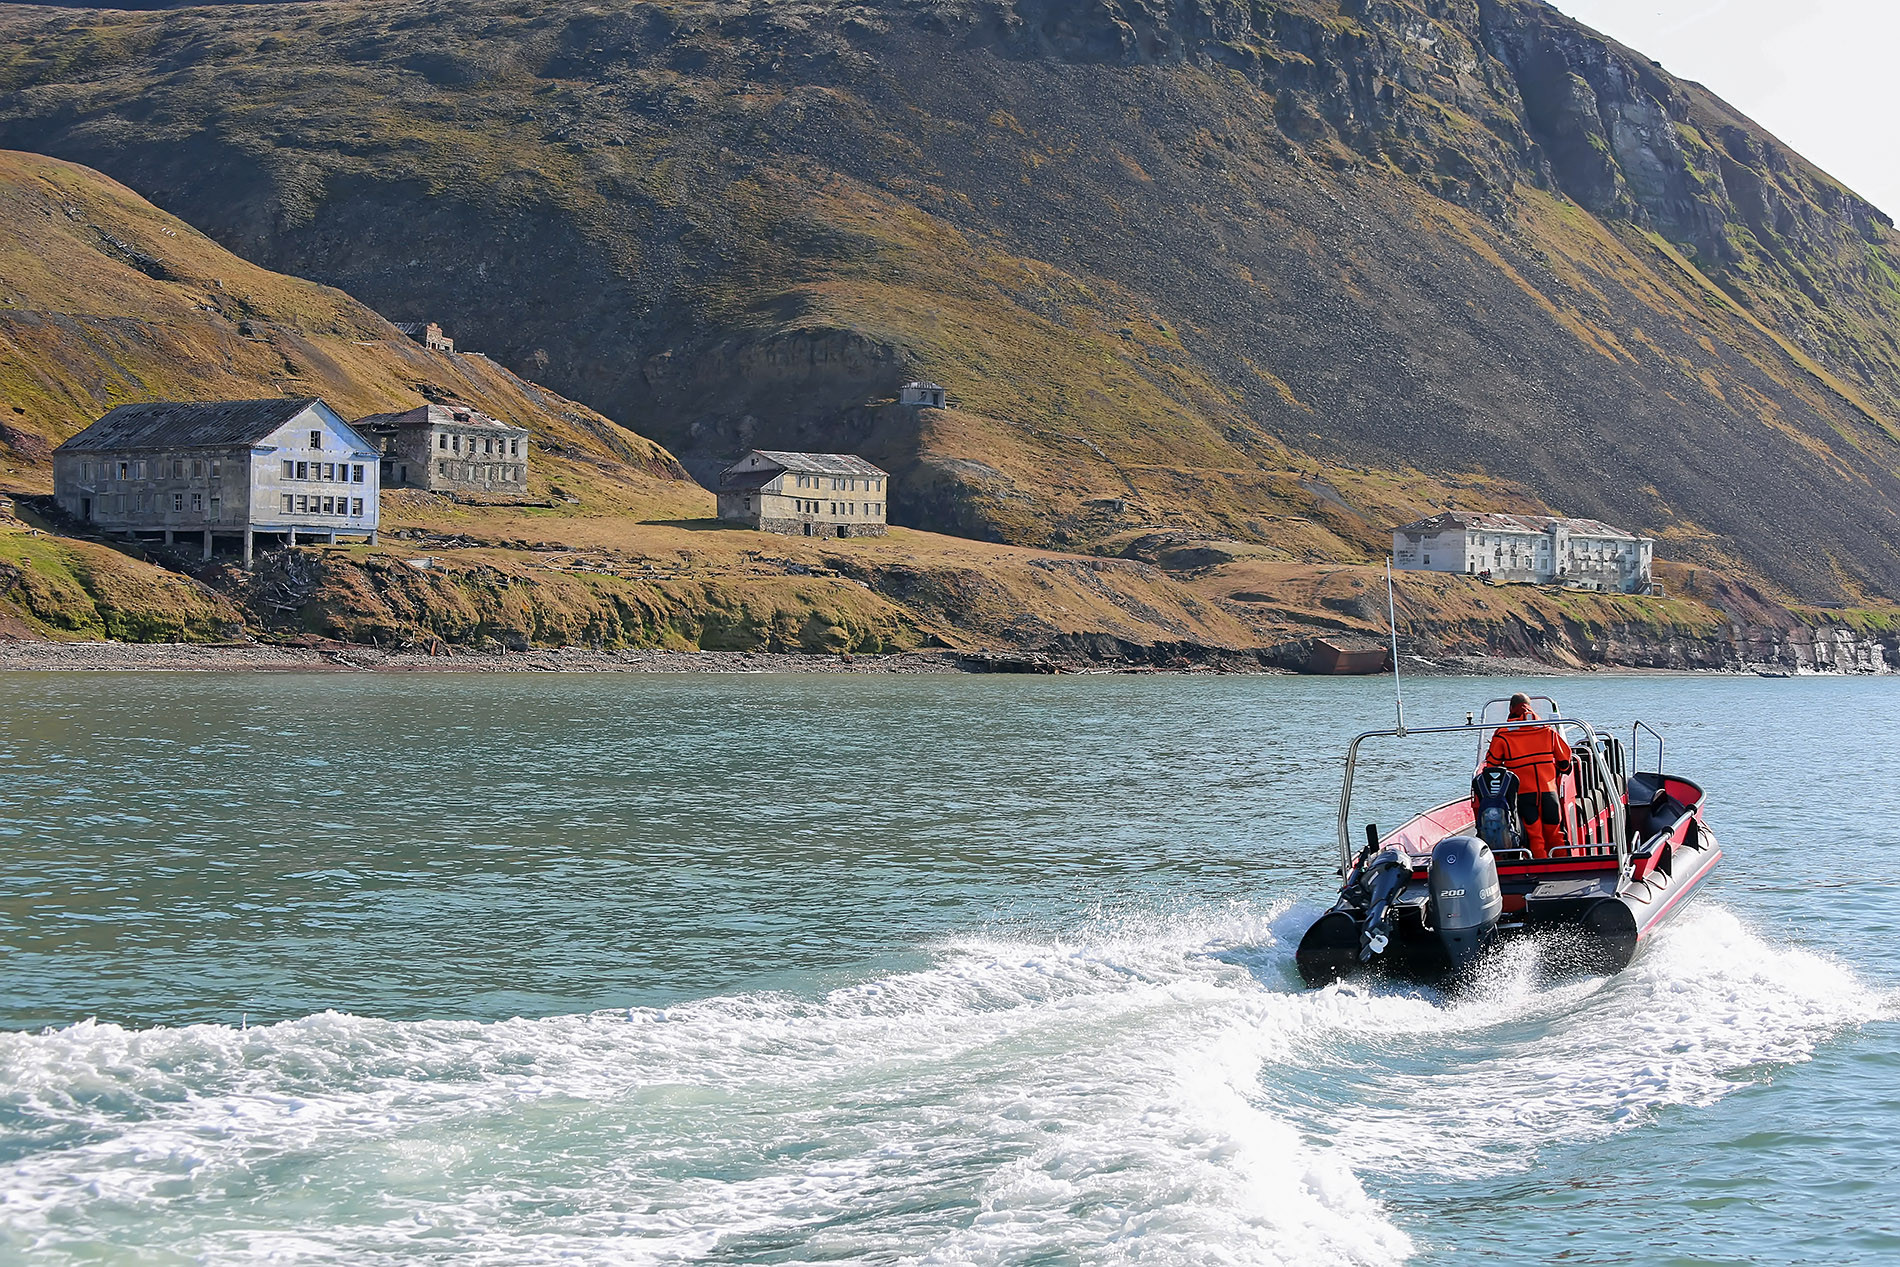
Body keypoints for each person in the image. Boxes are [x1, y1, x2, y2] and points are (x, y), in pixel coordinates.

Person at [1483, 693, 1572, 858]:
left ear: (1511, 709)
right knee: (1555, 832)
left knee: (1534, 835)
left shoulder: (1503, 734)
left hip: (1523, 794)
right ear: (1530, 707)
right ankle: (1563, 867)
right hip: (1549, 792)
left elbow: (1491, 766)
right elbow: (1566, 763)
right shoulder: (1548, 730)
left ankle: (1538, 867)